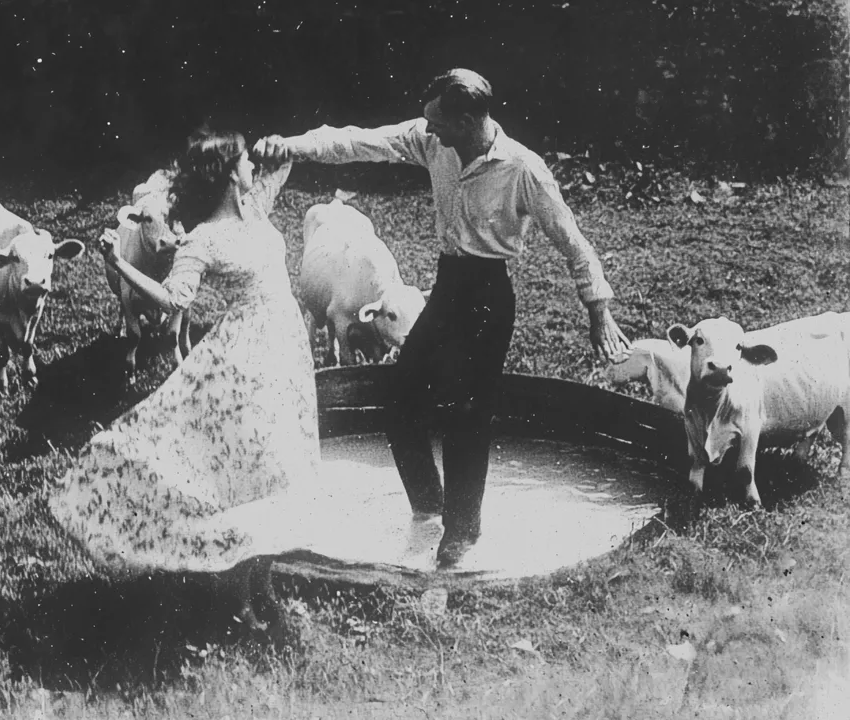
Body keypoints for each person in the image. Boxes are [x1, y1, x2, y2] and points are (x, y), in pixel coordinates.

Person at [254, 68, 631, 567]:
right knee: (398, 399)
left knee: (467, 416)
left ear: (471, 118)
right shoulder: (432, 141)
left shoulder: (523, 169)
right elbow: (358, 142)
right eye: (428, 123)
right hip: (446, 288)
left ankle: (461, 530)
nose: (429, 131)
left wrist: (598, 310)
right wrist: (291, 146)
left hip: (489, 296)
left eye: (439, 124)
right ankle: (428, 507)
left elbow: (573, 243)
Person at [48, 129, 320, 636]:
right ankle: (238, 595)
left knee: (279, 468)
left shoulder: (255, 204)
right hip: (244, 359)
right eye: (243, 161)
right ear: (225, 174)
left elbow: (283, 163)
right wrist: (120, 263)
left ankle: (260, 585)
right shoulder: (202, 239)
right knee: (249, 473)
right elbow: (173, 300)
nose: (251, 166)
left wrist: (280, 147)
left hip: (284, 349)